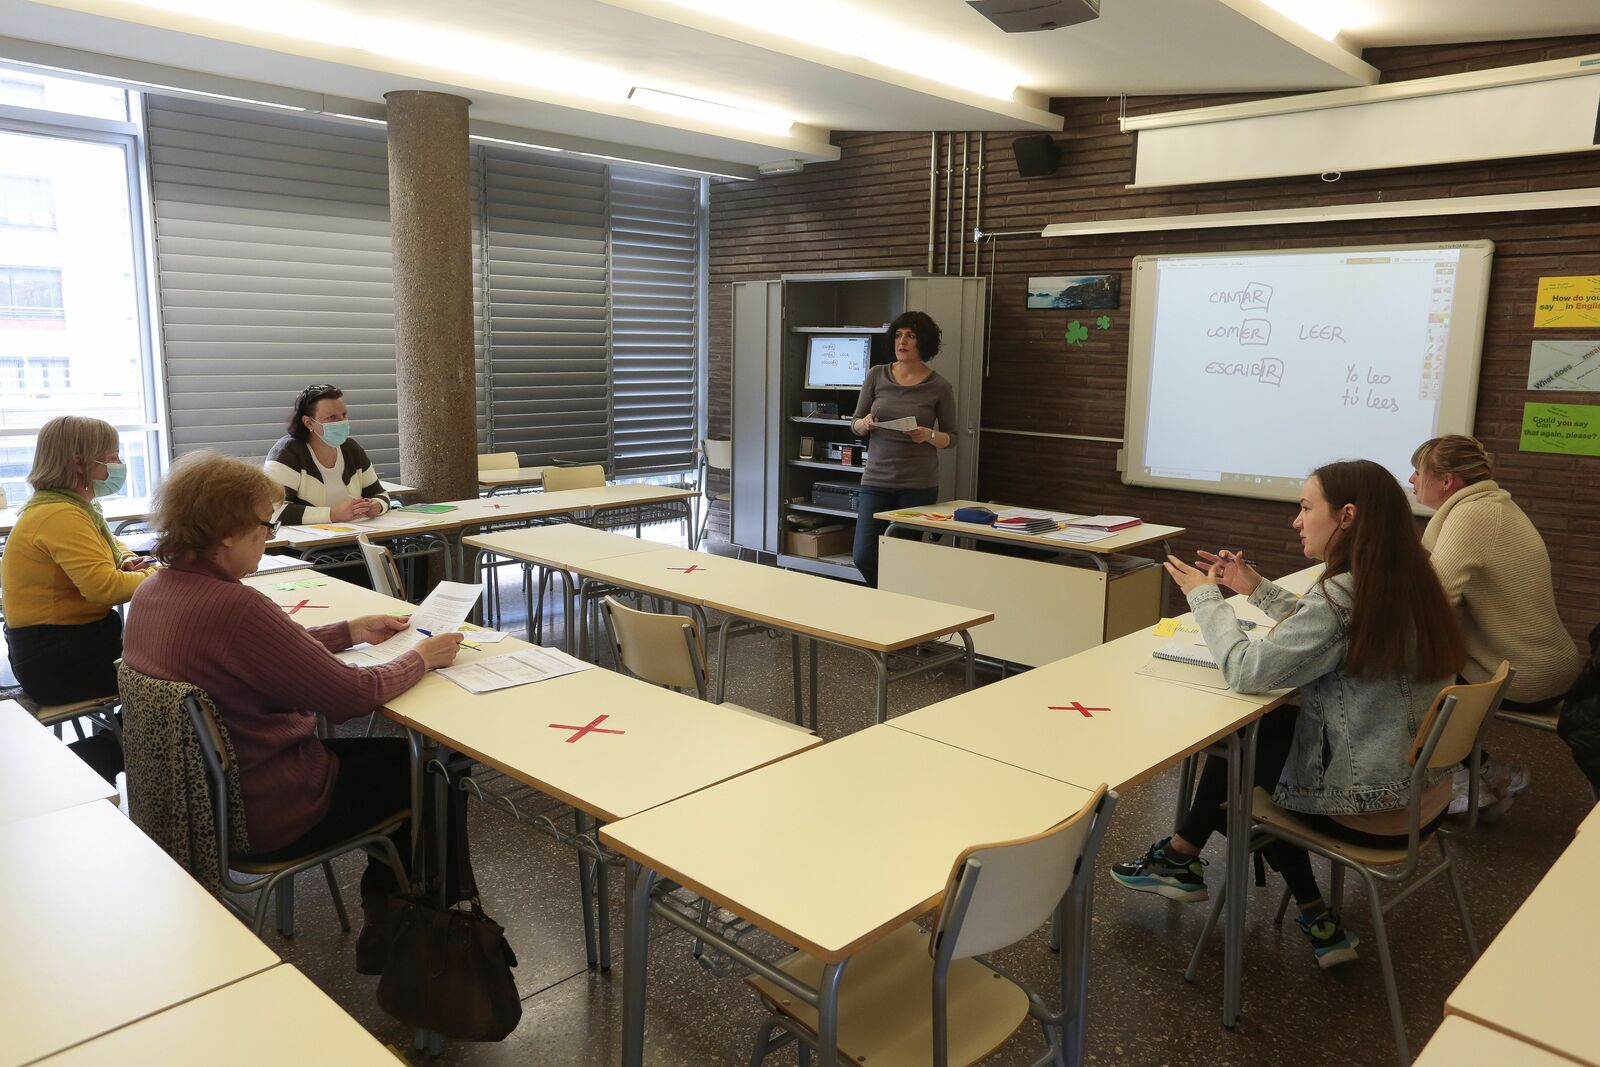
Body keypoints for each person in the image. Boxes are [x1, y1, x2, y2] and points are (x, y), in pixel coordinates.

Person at [1111, 460, 1465, 969]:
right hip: (1423, 797)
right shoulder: (1408, 578)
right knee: (1266, 734)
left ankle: (1183, 859)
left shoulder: (1344, 594)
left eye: (1305, 508)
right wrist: (1254, 587)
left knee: (1238, 765)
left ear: (1346, 516)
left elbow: (1246, 670)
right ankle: (1291, 903)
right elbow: (1329, 631)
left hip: (1371, 810)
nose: (1296, 522)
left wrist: (1205, 598)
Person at [121, 451, 462, 939]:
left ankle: (400, 908)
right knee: (432, 769)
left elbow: (255, 654)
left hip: (207, 806)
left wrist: (349, 630)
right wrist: (421, 658)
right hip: (272, 809)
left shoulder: (155, 591)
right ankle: (417, 932)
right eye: (264, 524)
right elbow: (349, 696)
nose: (270, 536)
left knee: (397, 765)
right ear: (227, 532)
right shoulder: (235, 605)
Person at [1, 416, 155, 781]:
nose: (118, 465)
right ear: (79, 461)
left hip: (63, 649)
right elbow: (106, 588)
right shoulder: (59, 515)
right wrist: (160, 575)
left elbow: (109, 547)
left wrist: (130, 561)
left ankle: (107, 748)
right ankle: (75, 770)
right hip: (59, 659)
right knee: (169, 684)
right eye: (112, 457)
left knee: (164, 679)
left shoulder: (68, 507)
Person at [849, 311, 958, 586]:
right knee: (863, 555)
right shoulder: (876, 375)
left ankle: (894, 612)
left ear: (925, 342)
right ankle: (888, 598)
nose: (903, 341)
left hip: (917, 485)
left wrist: (928, 435)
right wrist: (865, 423)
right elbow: (855, 424)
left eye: (910, 335)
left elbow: (952, 437)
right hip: (876, 479)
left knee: (902, 557)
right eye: (898, 335)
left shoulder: (939, 386)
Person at [265, 383, 392, 525]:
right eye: (331, 417)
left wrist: (377, 505)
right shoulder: (287, 453)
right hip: (308, 545)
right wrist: (333, 514)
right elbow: (273, 510)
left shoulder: (351, 449)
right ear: (308, 423)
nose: (341, 422)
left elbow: (380, 493)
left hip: (354, 537)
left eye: (344, 415)